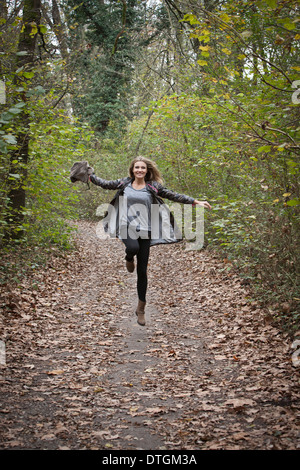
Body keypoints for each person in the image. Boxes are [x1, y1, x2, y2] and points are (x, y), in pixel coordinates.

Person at [89, 156, 211, 326]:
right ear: (132, 170)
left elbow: (173, 195)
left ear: (147, 171)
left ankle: (141, 308)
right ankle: (129, 256)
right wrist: (89, 175)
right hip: (126, 227)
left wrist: (195, 201)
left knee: (142, 272)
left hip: (146, 230)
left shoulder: (153, 186)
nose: (140, 170)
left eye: (143, 168)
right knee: (132, 247)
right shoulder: (124, 183)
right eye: (137, 167)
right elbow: (104, 184)